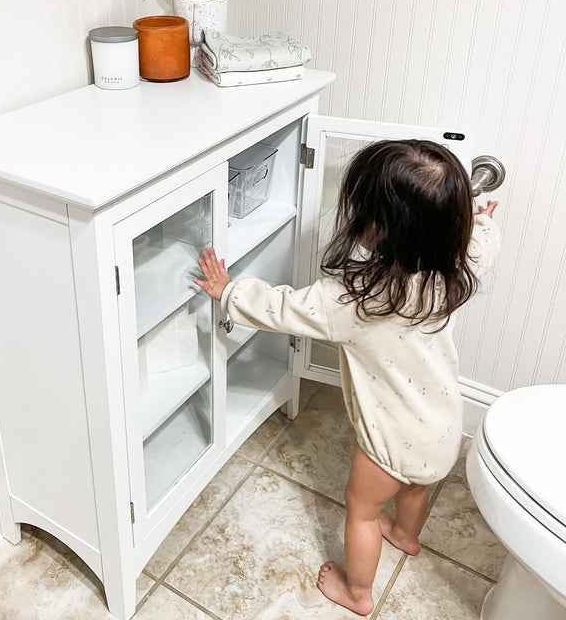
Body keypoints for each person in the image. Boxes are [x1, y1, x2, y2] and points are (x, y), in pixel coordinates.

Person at [194, 139, 500, 616]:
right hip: (443, 429)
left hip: (388, 446)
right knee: (416, 488)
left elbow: (281, 308)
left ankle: (357, 592)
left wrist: (227, 290)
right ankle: (406, 535)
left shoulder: (353, 301)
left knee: (360, 507)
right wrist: (481, 219)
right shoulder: (455, 268)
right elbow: (483, 243)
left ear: (377, 227)